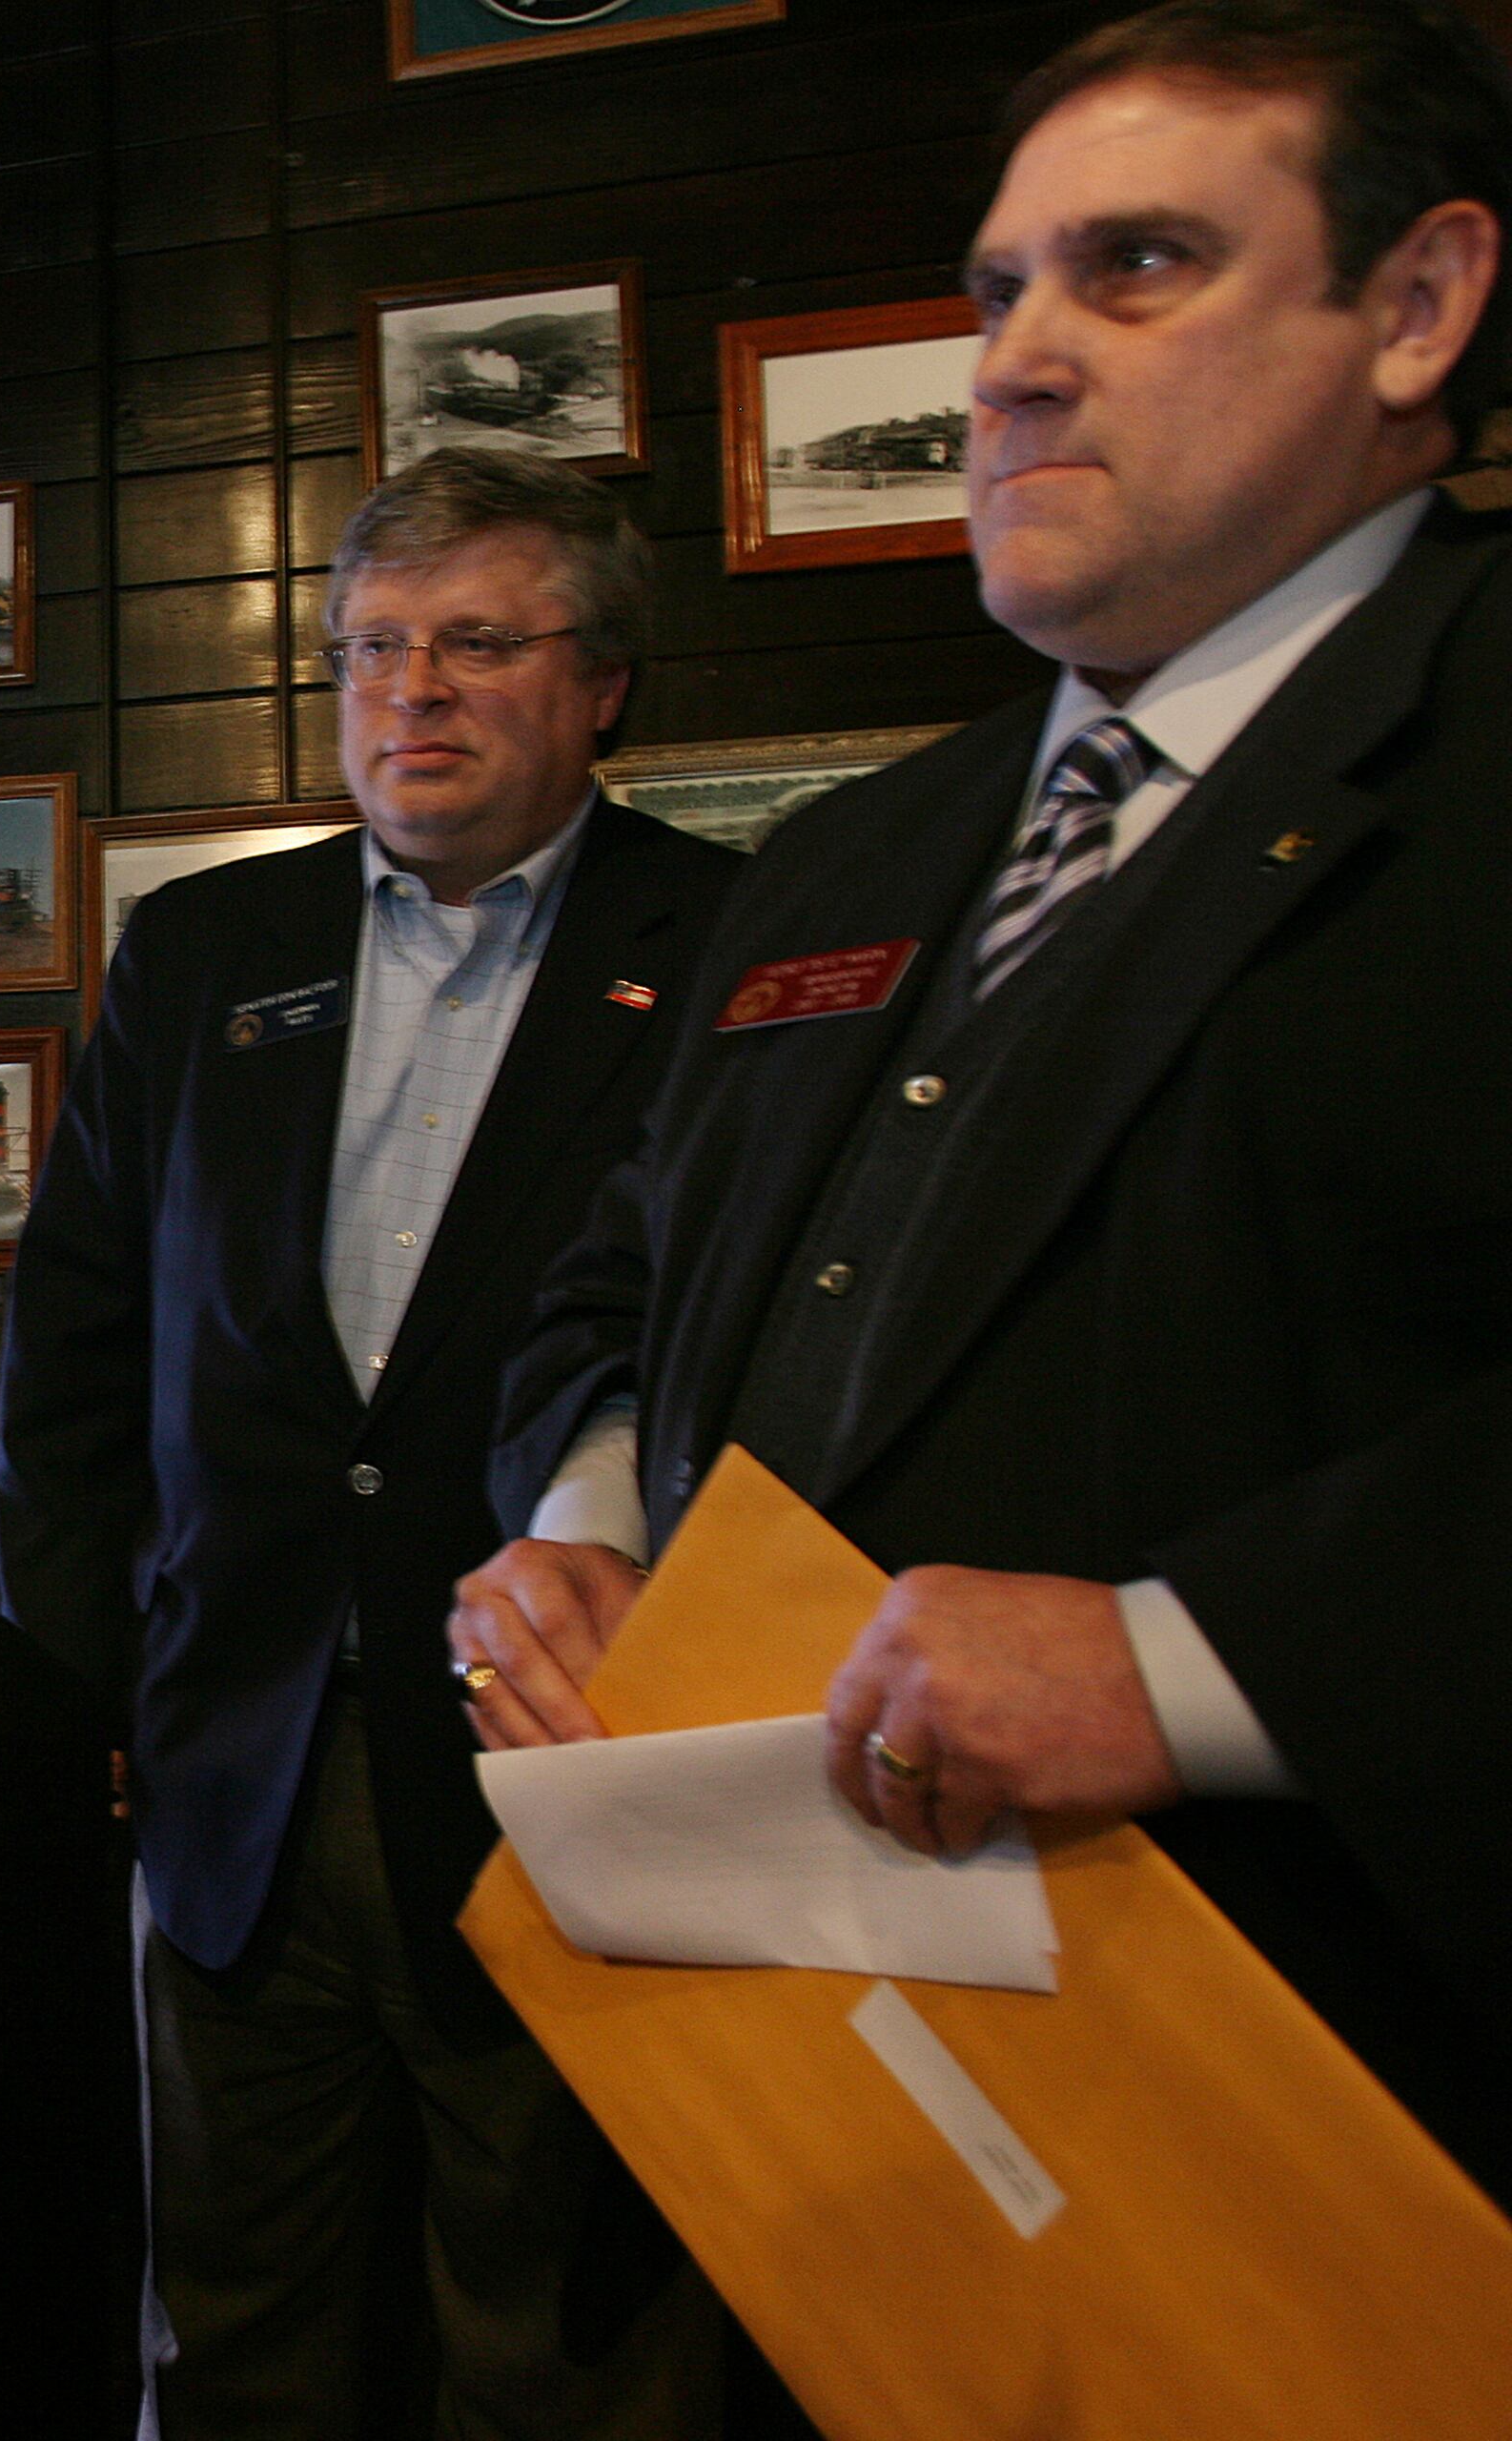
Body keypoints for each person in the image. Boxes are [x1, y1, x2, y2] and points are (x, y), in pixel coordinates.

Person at [466, 0, 1512, 2202]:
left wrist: (1188, 1660)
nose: (1016, 359)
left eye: (1132, 267)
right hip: (820, 2113)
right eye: (997, 289)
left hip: (1350, 2128)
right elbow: (624, 1269)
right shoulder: (854, 854)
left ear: (1414, 307)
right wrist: (585, 1525)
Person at [0, 448, 741, 2436]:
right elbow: (71, 1359)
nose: (410, 688)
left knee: (566, 2343)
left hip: (563, 1762)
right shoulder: (204, 953)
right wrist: (85, 1693)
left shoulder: (741, 947)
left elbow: (754, 1360)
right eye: (372, 645)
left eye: (478, 640)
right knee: (236, 2336)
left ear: (603, 684)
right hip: (230, 1766)